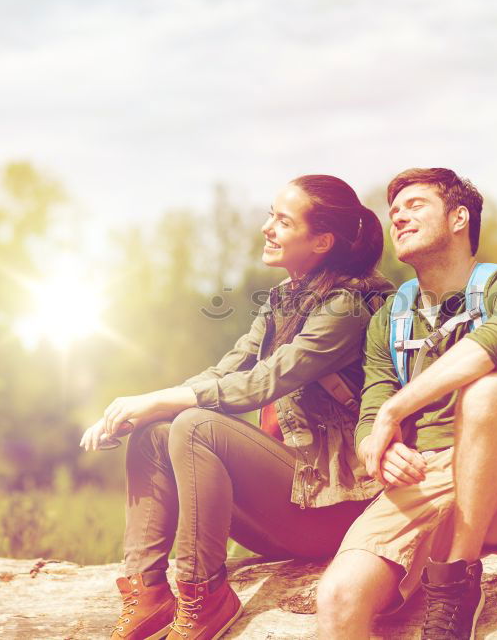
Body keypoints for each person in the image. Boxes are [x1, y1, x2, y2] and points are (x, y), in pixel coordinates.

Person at [80, 175, 390, 640]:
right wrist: (140, 409)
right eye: (271, 215)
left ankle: (205, 595)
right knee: (157, 432)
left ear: (322, 240)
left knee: (195, 426)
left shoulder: (349, 307)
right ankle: (148, 593)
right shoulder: (286, 300)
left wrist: (161, 401)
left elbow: (266, 381)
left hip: (336, 509)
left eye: (283, 221)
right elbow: (225, 371)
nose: (267, 227)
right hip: (292, 503)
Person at [316, 168, 497, 640]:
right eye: (394, 213)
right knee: (338, 598)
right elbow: (373, 408)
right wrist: (379, 447)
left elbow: (488, 346)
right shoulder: (389, 317)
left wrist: (394, 413)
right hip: (424, 479)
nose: (399, 218)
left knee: (486, 390)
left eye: (415, 206)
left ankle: (457, 583)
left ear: (458, 218)